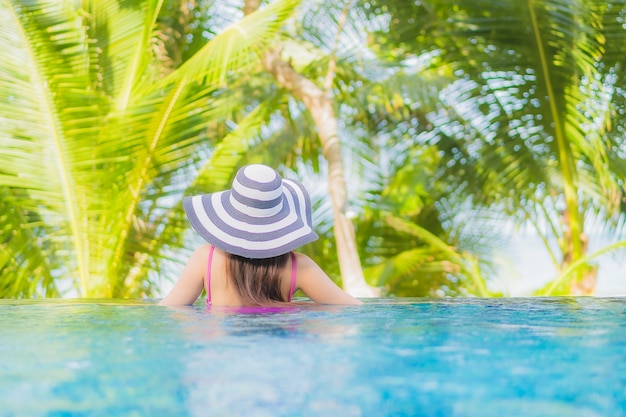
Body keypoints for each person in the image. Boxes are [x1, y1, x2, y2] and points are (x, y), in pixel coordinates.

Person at [159, 164, 362, 306]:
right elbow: (353, 307)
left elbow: (169, 309)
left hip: (220, 356)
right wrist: (304, 307)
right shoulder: (298, 266)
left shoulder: (205, 259)